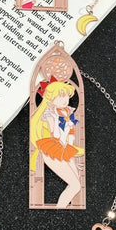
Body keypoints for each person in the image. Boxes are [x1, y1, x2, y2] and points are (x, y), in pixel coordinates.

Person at [30, 79, 84, 208]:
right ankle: (60, 208)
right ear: (51, 99)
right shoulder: (49, 114)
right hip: (52, 149)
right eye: (60, 96)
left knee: (77, 185)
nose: (64, 99)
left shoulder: (67, 112)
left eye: (65, 96)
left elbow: (69, 135)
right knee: (75, 186)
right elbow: (56, 135)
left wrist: (72, 160)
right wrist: (57, 122)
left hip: (64, 148)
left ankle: (60, 207)